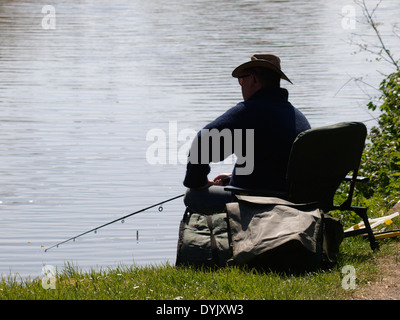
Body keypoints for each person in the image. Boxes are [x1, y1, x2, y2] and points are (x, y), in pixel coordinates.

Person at [183, 54, 311, 213]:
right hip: (295, 201)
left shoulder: (248, 112)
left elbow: (203, 141)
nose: (241, 86)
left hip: (257, 202)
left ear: (254, 80)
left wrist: (199, 182)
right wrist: (232, 178)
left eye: (242, 80)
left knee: (193, 196)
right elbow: (274, 162)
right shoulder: (297, 117)